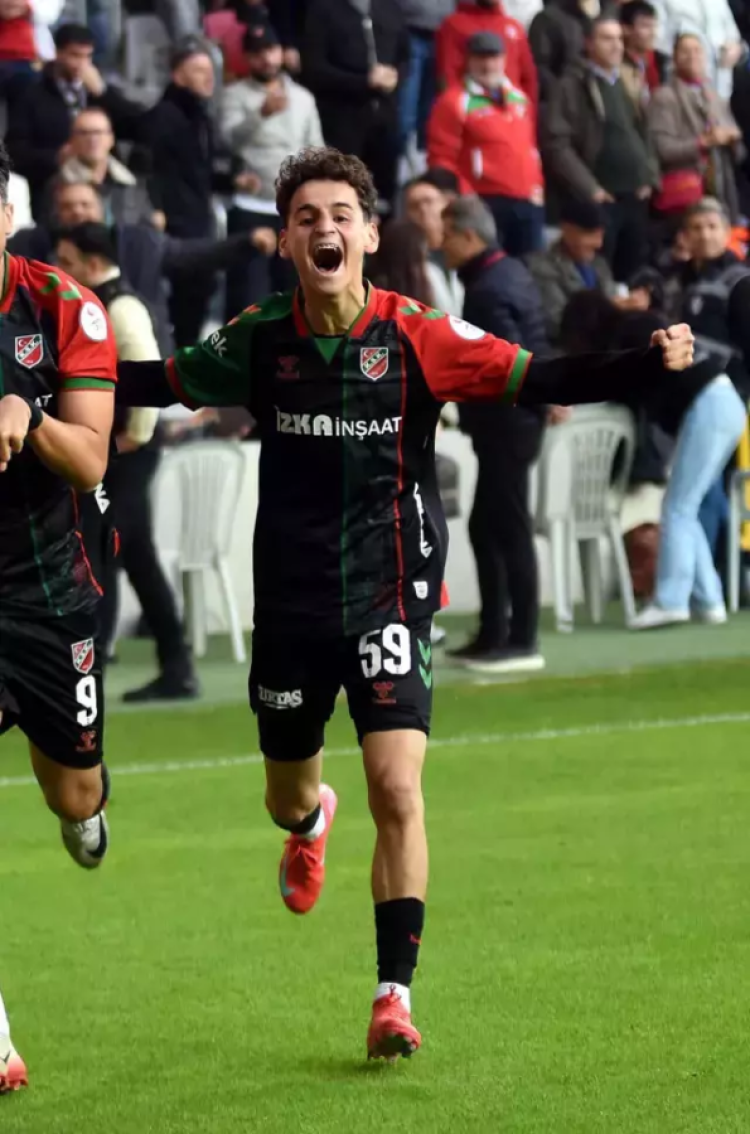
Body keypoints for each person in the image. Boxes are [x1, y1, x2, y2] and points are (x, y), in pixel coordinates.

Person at [114, 145, 694, 1062]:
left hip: (391, 592)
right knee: (284, 794)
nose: (325, 229)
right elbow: (160, 384)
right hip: (293, 603)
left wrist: (644, 361)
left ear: (371, 235)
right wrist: (44, 375)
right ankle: (310, 822)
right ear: (286, 242)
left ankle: (394, 994)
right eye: (306, 217)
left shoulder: (420, 334)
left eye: (341, 214)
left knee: (397, 787)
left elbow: (539, 377)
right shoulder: (259, 338)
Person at [0, 139, 117, 1091]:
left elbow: (90, 460)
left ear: (6, 216)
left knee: (73, 793)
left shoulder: (62, 306)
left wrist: (27, 415)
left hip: (47, 591)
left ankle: (83, 806)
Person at [55, 222, 198, 701]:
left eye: (68, 262)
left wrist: (132, 437)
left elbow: (145, 370)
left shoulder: (118, 306)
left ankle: (92, 668)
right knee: (134, 558)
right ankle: (174, 666)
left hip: (127, 454)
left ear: (93, 263)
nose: (60, 271)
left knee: (104, 554)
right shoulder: (105, 302)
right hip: (120, 451)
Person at [441, 195, 549, 672]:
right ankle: (495, 633)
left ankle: (520, 638)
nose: (440, 244)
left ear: (469, 236)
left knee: (507, 527)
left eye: (447, 235)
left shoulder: (487, 289)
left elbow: (507, 360)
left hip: (506, 424)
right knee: (488, 526)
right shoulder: (509, 273)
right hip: (515, 422)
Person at [541, 13, 658, 282]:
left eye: (619, 39)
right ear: (589, 43)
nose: (616, 45)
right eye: (607, 39)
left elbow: (645, 134)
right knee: (600, 278)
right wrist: (590, 189)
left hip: (636, 197)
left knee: (633, 277)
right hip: (600, 200)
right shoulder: (570, 84)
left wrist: (649, 176)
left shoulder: (629, 80)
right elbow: (557, 144)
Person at [427, 31, 545, 256]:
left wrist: (537, 187)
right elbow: (441, 157)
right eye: (481, 57)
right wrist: (465, 196)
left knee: (530, 268)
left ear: (504, 59)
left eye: (494, 57)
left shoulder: (519, 99)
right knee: (487, 264)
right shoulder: (453, 101)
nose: (488, 64)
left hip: (527, 201)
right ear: (469, 60)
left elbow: (530, 148)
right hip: (484, 201)